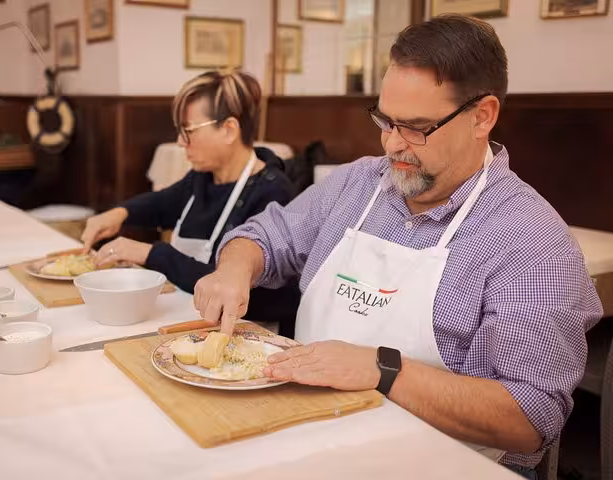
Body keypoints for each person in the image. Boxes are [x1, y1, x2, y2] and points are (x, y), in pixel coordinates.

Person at [192, 15, 603, 478]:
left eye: (416, 127)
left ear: (482, 117)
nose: (392, 144)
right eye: (385, 121)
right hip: (308, 438)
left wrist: (384, 370)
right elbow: (266, 235)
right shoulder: (356, 184)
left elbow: (531, 419)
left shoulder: (531, 241)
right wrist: (233, 269)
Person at [81, 70, 300, 328]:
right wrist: (119, 214)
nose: (180, 142)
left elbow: (246, 292)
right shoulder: (203, 177)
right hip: (188, 316)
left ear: (229, 130)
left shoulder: (273, 192)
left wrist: (153, 254)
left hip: (245, 331)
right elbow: (162, 203)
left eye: (189, 130)